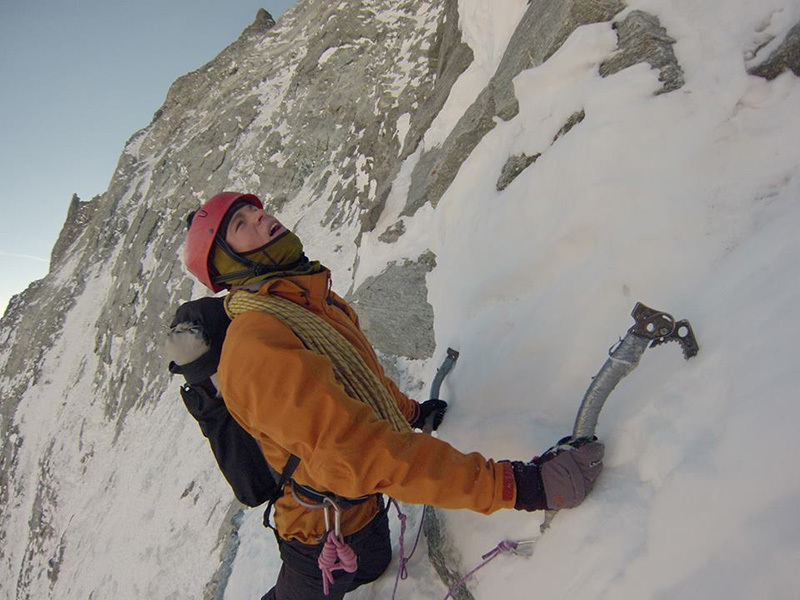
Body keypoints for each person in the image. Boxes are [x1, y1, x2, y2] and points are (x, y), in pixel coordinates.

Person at [182, 192, 604, 600]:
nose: (262, 218)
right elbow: (361, 454)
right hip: (315, 531)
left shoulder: (312, 301)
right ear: (225, 263)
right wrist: (522, 486)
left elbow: (363, 378)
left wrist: (413, 411)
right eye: (241, 225)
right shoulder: (257, 345)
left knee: (373, 567)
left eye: (257, 211)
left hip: (362, 508)